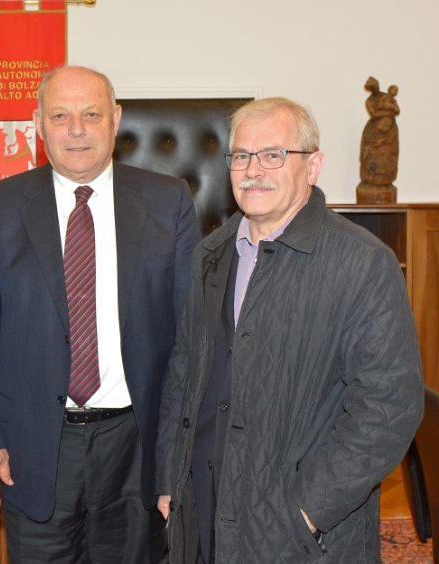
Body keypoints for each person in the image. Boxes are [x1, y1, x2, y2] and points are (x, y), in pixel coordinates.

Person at [156, 97, 423, 564]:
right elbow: (184, 369)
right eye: (242, 155)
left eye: (273, 154)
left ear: (312, 166)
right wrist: (169, 475)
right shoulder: (211, 253)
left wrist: (307, 511)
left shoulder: (363, 263)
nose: (253, 170)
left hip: (299, 533)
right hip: (203, 508)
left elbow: (389, 406)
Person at [0, 65, 200, 563]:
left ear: (115, 119)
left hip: (135, 443)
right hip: (32, 447)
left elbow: (189, 338)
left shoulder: (169, 200)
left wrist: (178, 454)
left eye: (91, 115)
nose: (76, 130)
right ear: (37, 124)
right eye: (60, 116)